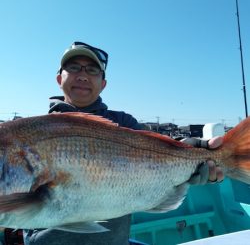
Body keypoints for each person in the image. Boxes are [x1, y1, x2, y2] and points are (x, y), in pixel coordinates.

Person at [20, 41, 224, 245]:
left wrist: (195, 153)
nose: (82, 75)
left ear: (103, 84)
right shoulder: (33, 131)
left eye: (92, 70)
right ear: (59, 78)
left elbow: (159, 148)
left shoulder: (123, 123)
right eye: (73, 68)